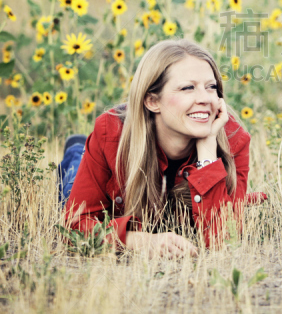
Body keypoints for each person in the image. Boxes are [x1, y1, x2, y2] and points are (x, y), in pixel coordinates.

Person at [61, 39, 265, 258]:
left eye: (211, 87)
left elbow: (223, 241)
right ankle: (77, 151)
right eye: (188, 88)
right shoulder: (111, 133)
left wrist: (207, 152)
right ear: (152, 101)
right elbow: (75, 227)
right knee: (69, 186)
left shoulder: (233, 139)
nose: (205, 98)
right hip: (103, 155)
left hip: (176, 191)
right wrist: (139, 240)